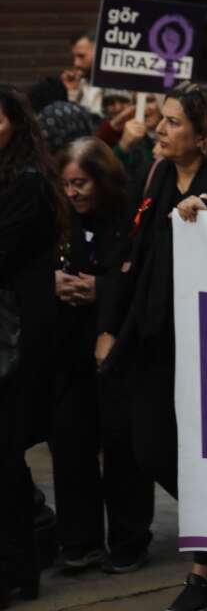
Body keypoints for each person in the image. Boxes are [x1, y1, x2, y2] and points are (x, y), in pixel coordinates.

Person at [96, 83, 207, 611]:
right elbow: (130, 255)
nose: (160, 128)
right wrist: (109, 327)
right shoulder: (156, 176)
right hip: (153, 334)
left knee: (206, 450)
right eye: (163, 119)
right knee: (150, 448)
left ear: (204, 133)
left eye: (174, 122)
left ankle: (206, 569)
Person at [50, 139, 154, 576]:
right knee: (70, 440)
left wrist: (101, 289)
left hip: (117, 346)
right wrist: (52, 281)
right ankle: (80, 538)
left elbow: (139, 276)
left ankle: (129, 538)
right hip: (68, 347)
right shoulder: (58, 219)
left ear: (102, 179)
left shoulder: (129, 218)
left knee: (121, 443)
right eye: (66, 184)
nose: (72, 193)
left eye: (81, 183)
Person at [0, 85, 66, 605]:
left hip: (16, 336)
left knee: (5, 453)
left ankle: (17, 565)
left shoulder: (28, 182)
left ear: (15, 124)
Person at [61, 31, 103, 115]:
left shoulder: (117, 84)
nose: (76, 63)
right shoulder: (80, 84)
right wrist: (72, 92)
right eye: (74, 57)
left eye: (81, 56)